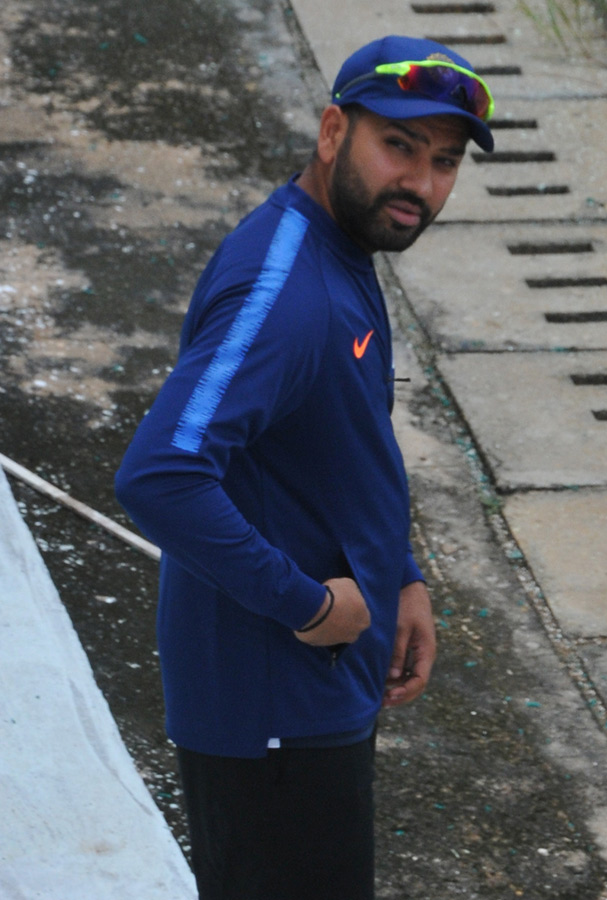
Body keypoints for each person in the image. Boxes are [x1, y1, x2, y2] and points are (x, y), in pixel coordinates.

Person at [114, 35, 495, 900]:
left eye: (443, 162)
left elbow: (342, 441)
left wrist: (401, 578)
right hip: (271, 715)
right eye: (397, 147)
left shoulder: (338, 250)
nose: (421, 186)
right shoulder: (287, 295)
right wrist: (312, 606)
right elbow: (160, 473)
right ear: (332, 132)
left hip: (315, 694)